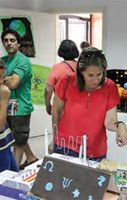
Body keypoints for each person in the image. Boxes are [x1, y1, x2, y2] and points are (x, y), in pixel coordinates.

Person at [51, 47, 127, 161]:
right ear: (81, 72)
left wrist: (120, 125)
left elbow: (110, 121)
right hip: (65, 146)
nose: (96, 80)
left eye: (99, 74)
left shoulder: (110, 87)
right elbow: (56, 112)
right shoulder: (66, 81)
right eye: (90, 75)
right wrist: (54, 139)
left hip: (95, 150)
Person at [1, 29, 38, 169]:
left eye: (12, 40)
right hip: (6, 107)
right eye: (6, 40)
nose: (9, 43)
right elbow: (9, 81)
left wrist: (3, 79)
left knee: (19, 141)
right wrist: (8, 78)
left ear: (18, 43)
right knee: (15, 137)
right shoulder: (3, 61)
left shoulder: (23, 61)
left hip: (21, 108)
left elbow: (14, 83)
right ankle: (31, 157)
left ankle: (13, 171)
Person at [44, 39, 79, 115]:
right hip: (79, 108)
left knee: (60, 127)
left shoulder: (57, 68)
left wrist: (47, 105)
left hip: (61, 109)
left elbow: (48, 90)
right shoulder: (82, 67)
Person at [0, 60, 18, 172]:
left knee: (14, 176)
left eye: (3, 76)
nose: (2, 81)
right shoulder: (3, 95)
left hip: (5, 143)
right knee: (5, 184)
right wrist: (5, 99)